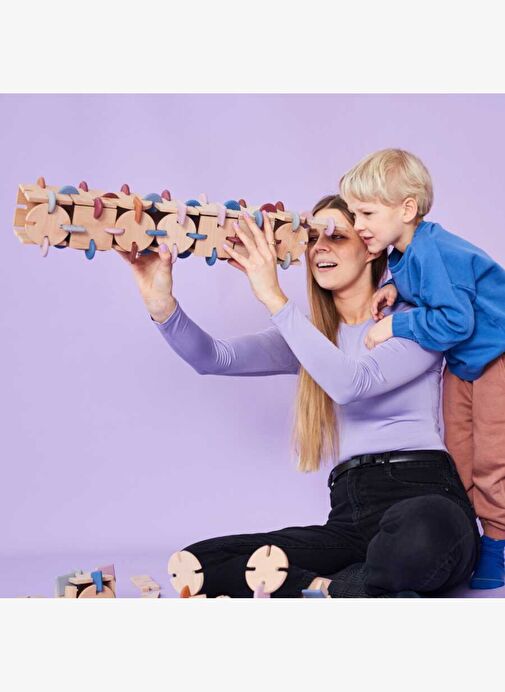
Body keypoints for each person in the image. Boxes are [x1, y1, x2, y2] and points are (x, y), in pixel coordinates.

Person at [117, 194, 479, 597]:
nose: (319, 248)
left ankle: (352, 586)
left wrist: (273, 297)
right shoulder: (307, 337)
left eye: (335, 236)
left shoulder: (415, 321)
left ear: (371, 248)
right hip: (349, 514)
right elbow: (213, 357)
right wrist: (161, 304)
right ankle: (334, 590)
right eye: (311, 238)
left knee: (424, 531)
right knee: (200, 562)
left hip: (423, 492)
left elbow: (352, 383)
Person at [341, 147, 505, 589]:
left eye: (367, 213)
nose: (358, 225)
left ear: (407, 209)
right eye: (354, 214)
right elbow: (426, 284)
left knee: (492, 455)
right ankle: (468, 533)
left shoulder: (433, 250)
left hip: (497, 354)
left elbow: (456, 321)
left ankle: (498, 540)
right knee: (458, 449)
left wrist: (395, 324)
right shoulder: (406, 253)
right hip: (465, 360)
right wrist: (394, 289)